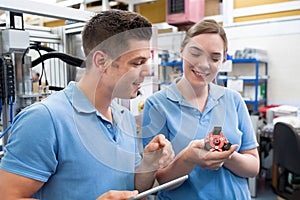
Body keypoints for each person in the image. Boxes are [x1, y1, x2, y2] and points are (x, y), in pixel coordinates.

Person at [0, 9, 174, 200]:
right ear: (101, 61)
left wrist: (149, 164)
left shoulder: (124, 117)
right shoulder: (45, 119)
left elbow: (131, 188)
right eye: (137, 62)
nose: (147, 71)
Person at [141, 19, 260, 199]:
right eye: (195, 53)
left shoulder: (233, 100)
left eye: (214, 58)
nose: (204, 64)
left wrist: (226, 155)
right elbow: (158, 181)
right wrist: (188, 158)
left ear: (223, 60)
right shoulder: (157, 105)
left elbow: (253, 168)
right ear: (182, 52)